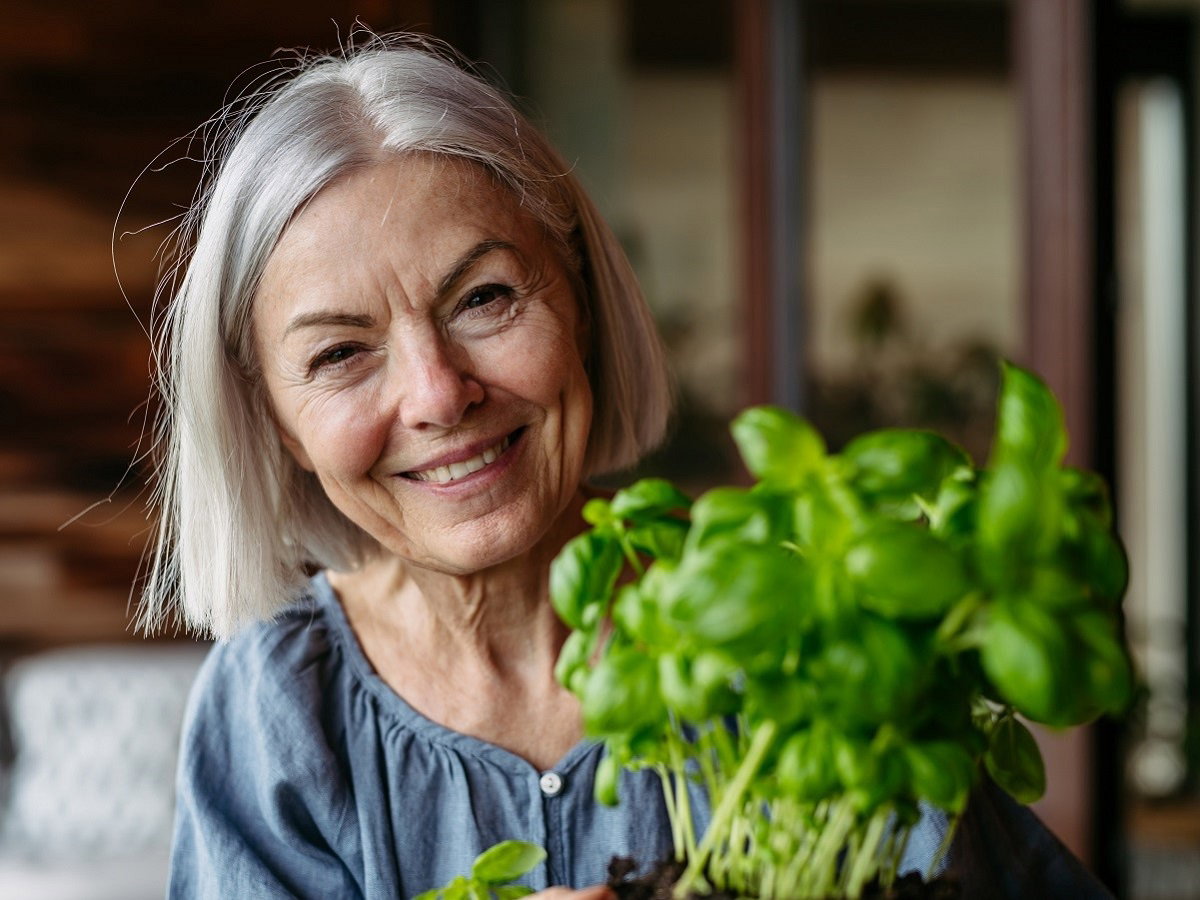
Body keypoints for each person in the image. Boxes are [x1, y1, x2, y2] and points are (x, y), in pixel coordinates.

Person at [144, 33, 1108, 900]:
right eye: (340, 354)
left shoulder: (796, 633)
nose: (437, 394)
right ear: (274, 423)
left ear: (582, 300)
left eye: (483, 298)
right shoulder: (277, 712)